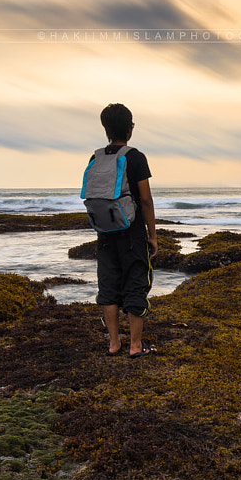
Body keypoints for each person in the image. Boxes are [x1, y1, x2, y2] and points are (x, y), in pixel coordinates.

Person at [93, 103, 158, 356]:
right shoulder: (135, 157)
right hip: (132, 234)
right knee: (136, 284)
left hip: (105, 232)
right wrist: (152, 235)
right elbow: (145, 200)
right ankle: (135, 346)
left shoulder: (96, 157)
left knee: (108, 288)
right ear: (129, 130)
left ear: (106, 129)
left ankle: (113, 344)